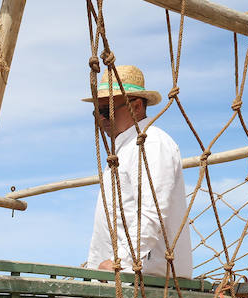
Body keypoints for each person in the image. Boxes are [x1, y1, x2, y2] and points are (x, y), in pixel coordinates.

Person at [82, 64, 193, 277]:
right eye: (97, 112)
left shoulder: (150, 143)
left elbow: (152, 212)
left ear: (137, 106)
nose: (102, 119)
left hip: (142, 281)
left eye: (107, 111)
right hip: (123, 277)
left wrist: (121, 262)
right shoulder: (126, 148)